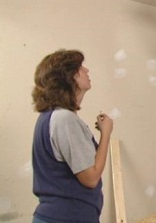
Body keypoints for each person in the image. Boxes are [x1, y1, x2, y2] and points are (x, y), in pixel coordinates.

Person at [31, 49, 114, 223]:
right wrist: (106, 134)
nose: (87, 71)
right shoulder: (65, 119)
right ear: (69, 77)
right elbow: (90, 178)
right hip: (67, 218)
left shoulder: (50, 117)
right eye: (80, 68)